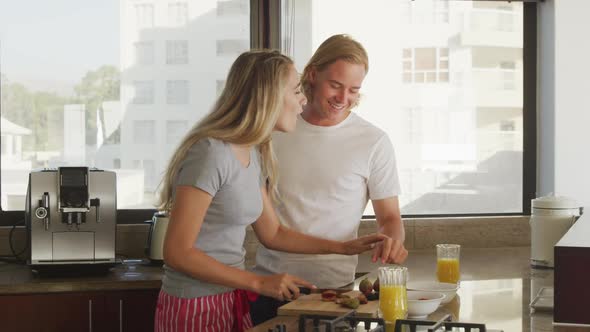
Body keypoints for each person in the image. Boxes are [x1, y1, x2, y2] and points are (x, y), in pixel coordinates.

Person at [153, 49, 391, 332]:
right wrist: (259, 282)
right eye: (295, 91)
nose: (303, 99)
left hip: (230, 299)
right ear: (268, 97)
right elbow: (177, 252)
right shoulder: (210, 153)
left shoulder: (253, 153)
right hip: (193, 305)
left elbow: (273, 233)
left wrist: (342, 248)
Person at [251, 34, 408, 324]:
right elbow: (266, 226)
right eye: (335, 85)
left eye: (353, 90)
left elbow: (390, 217)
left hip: (336, 294)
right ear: (312, 74)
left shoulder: (373, 141)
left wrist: (392, 241)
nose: (343, 98)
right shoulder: (275, 129)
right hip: (274, 287)